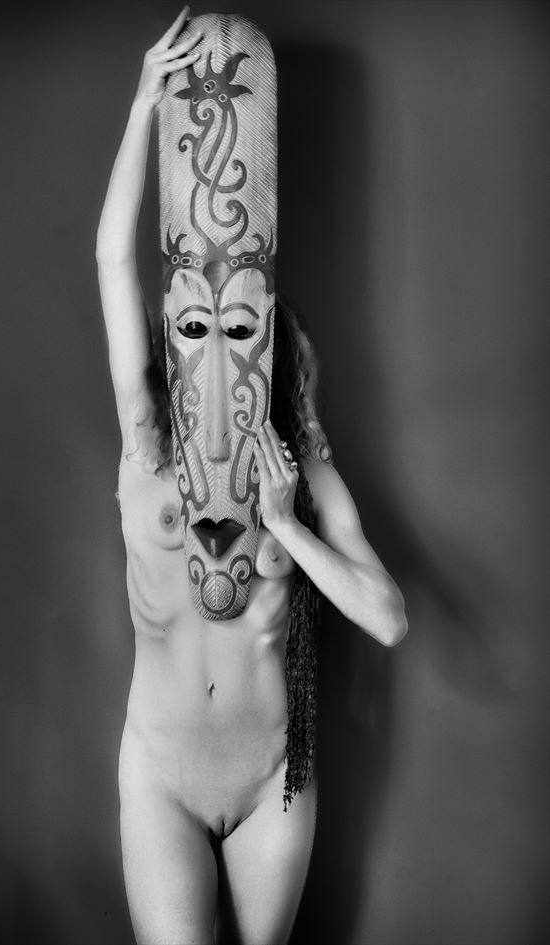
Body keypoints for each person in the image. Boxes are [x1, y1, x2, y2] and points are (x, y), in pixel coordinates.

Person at [96, 7, 407, 944]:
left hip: (277, 775)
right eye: (196, 328)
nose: (220, 350)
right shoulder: (144, 441)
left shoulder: (302, 469)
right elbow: (111, 261)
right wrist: (145, 105)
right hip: (161, 771)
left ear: (271, 346)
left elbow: (388, 619)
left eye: (241, 329)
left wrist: (289, 524)